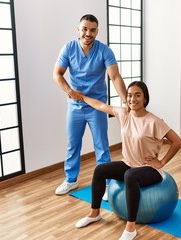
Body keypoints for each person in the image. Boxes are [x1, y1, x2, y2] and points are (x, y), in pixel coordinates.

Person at [75, 81, 181, 240]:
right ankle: (94, 213)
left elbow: (178, 141)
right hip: (129, 163)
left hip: (150, 169)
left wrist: (161, 162)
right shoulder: (124, 114)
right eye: (130, 95)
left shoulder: (154, 121)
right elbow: (100, 105)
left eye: (137, 95)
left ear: (145, 99)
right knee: (100, 170)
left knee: (130, 176)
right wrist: (81, 97)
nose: (133, 99)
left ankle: (131, 228)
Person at [53, 14, 127, 196]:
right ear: (78, 29)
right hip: (75, 106)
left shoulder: (104, 51)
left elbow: (115, 76)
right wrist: (70, 91)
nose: (88, 33)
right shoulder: (69, 48)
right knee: (73, 144)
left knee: (101, 145)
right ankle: (71, 180)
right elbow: (57, 74)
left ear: (97, 31)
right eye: (85, 29)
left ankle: (108, 185)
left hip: (97, 106)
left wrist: (126, 101)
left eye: (92, 30)